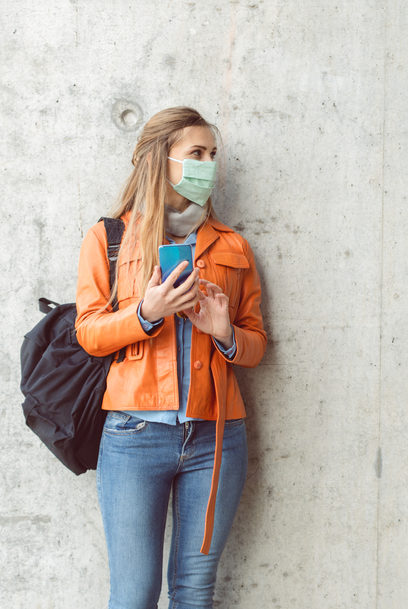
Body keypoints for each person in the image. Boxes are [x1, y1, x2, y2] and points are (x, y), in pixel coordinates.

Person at [75, 106, 267, 608]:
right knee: (135, 595)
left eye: (213, 154)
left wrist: (225, 333)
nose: (209, 164)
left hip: (218, 437)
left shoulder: (233, 247)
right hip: (135, 437)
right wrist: (146, 312)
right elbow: (89, 333)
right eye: (196, 153)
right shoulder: (110, 239)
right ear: (162, 160)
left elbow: (256, 345)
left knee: (194, 592)